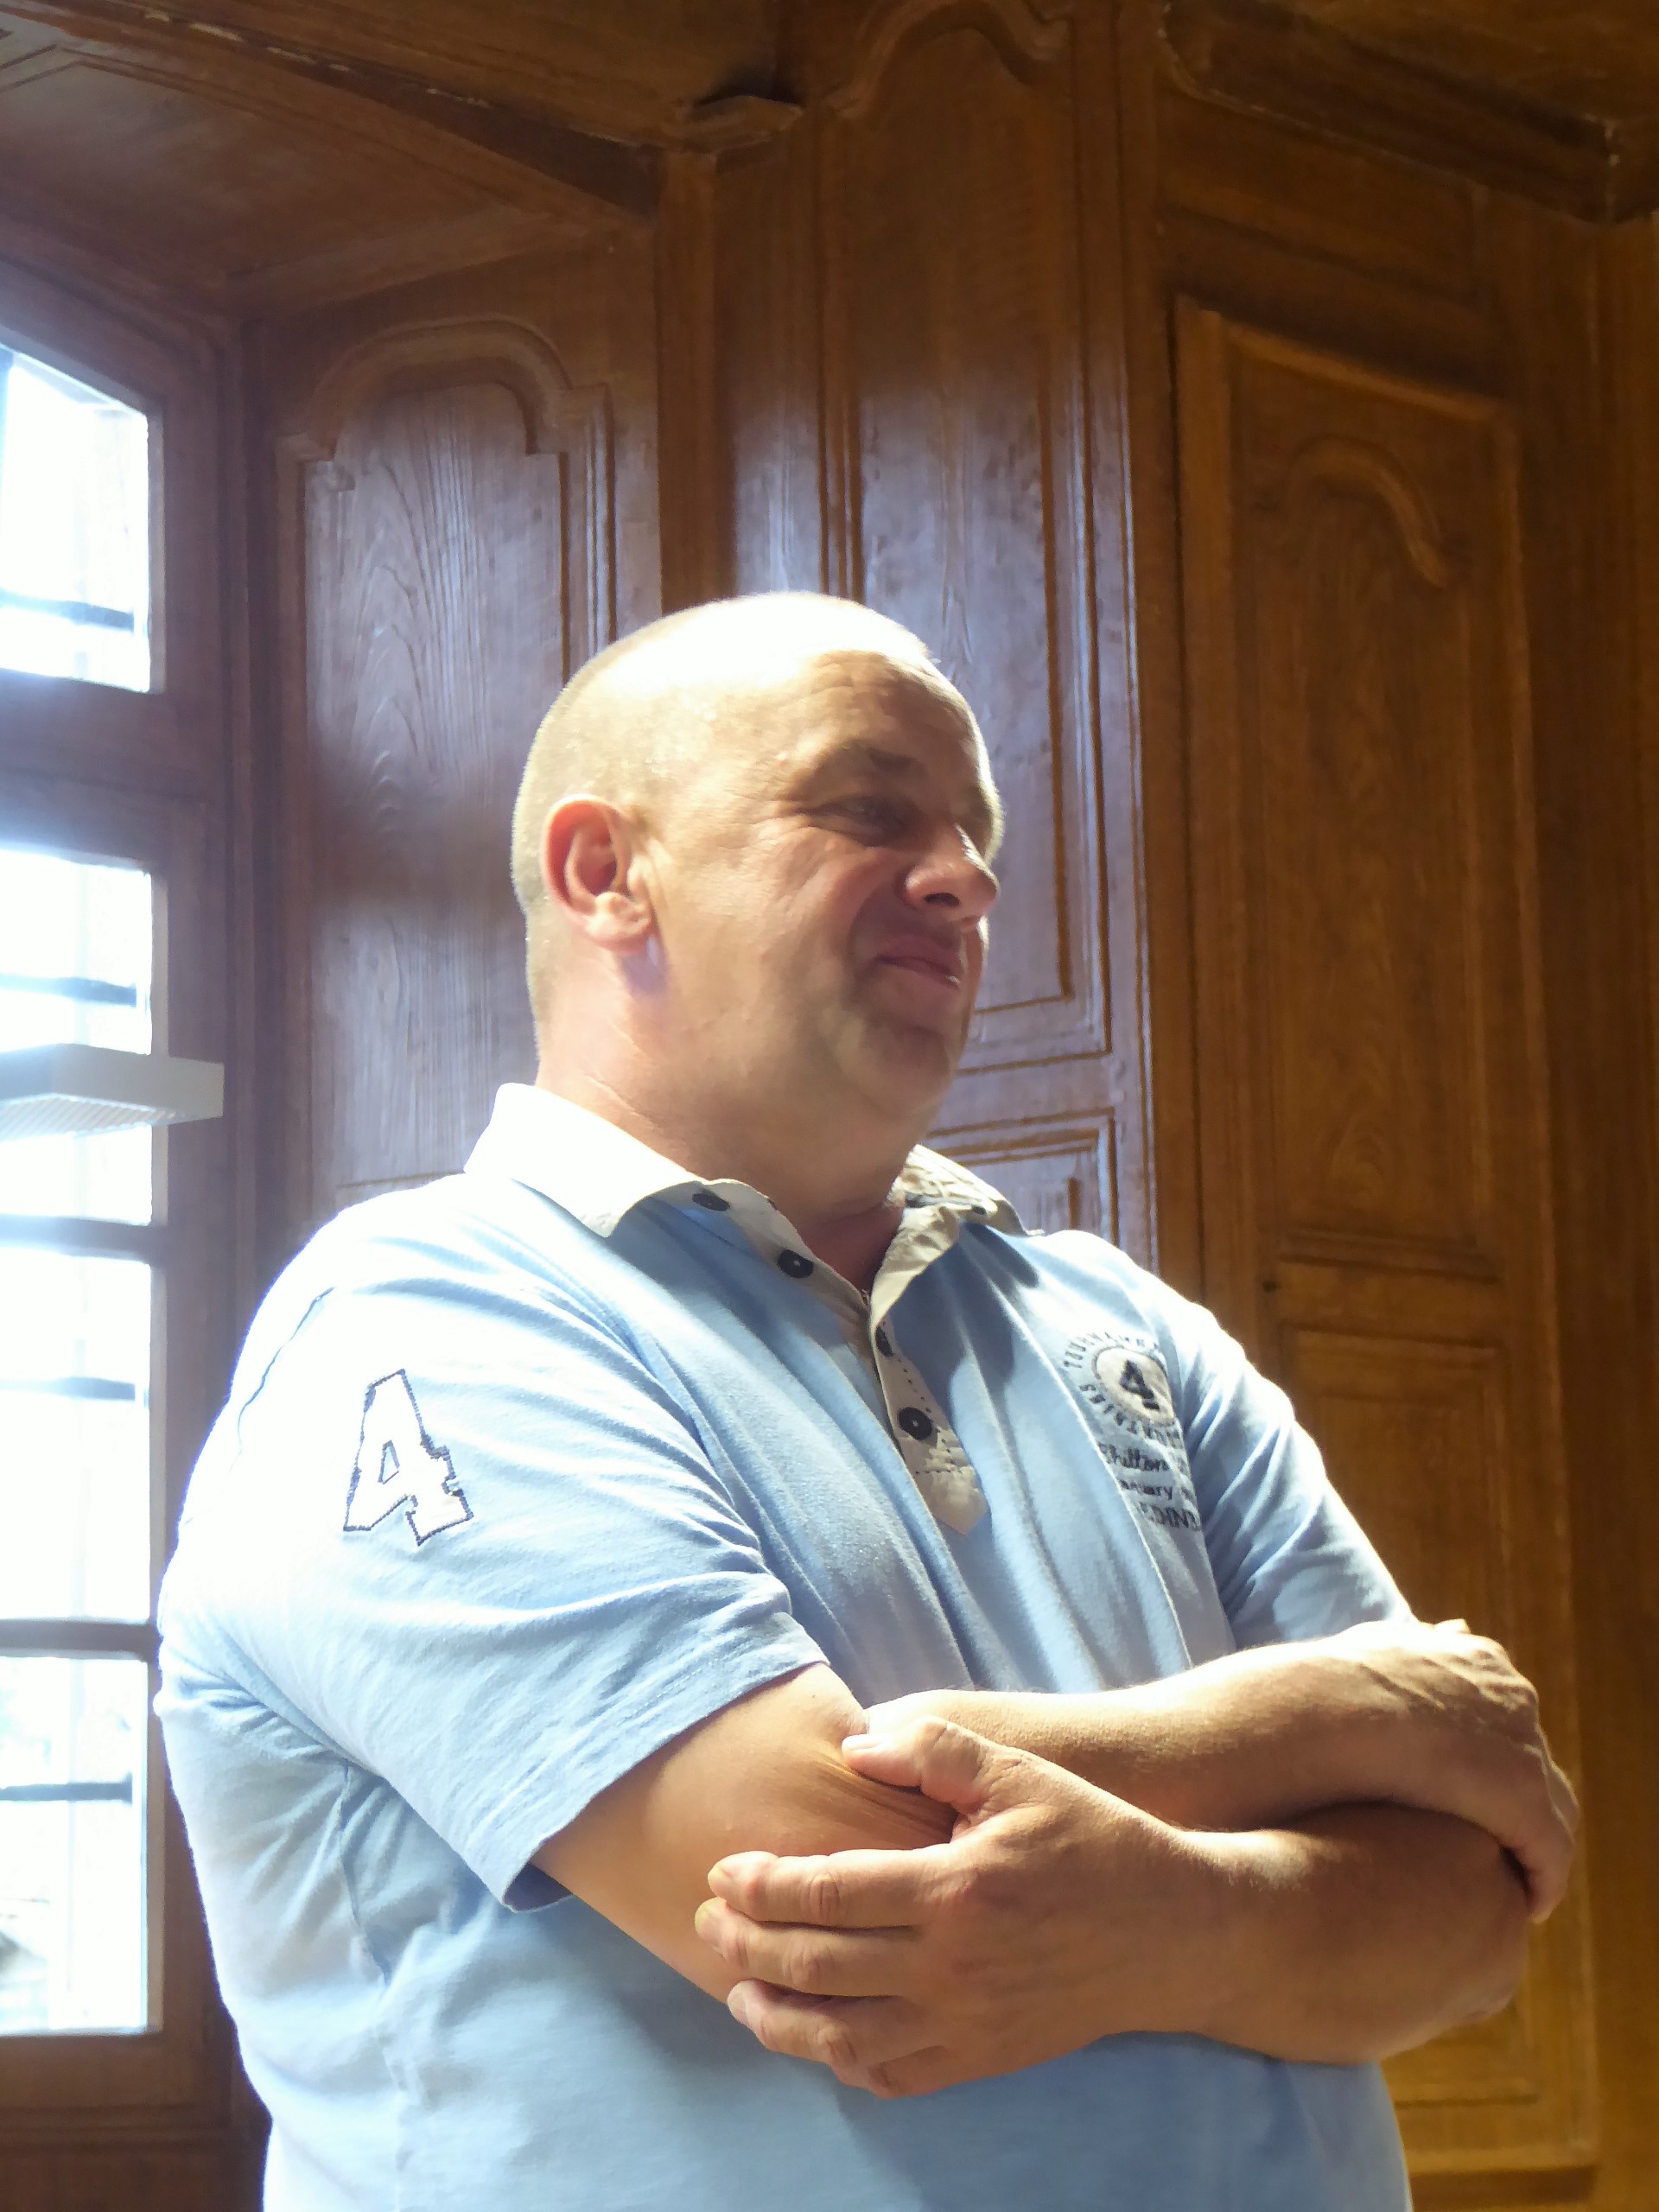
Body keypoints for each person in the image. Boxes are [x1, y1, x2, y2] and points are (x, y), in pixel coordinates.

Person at [156, 593, 1575, 2212]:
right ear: (608, 873)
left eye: (974, 836)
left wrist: (1149, 1912)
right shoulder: (423, 1316)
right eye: (868, 808)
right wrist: (1357, 1716)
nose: (966, 876)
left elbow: (1475, 1903)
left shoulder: (1132, 1329)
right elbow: (816, 1886)